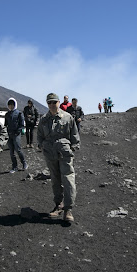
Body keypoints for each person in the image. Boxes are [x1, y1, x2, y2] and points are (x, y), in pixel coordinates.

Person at [37, 93, 80, 222]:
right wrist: (41, 145)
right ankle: (58, 205)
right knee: (55, 180)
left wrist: (72, 148)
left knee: (68, 180)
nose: (52, 105)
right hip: (50, 154)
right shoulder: (44, 119)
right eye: (49, 102)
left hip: (65, 153)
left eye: (54, 102)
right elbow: (39, 135)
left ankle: (68, 209)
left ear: (59, 102)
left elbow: (74, 135)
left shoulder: (67, 117)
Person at [4, 98, 27, 173]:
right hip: (9, 134)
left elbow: (22, 124)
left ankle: (24, 163)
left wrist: (18, 131)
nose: (11, 106)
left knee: (18, 149)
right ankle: (14, 166)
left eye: (12, 105)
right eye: (9, 105)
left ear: (15, 105)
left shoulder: (19, 113)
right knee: (11, 152)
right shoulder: (7, 114)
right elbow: (6, 124)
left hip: (16, 134)